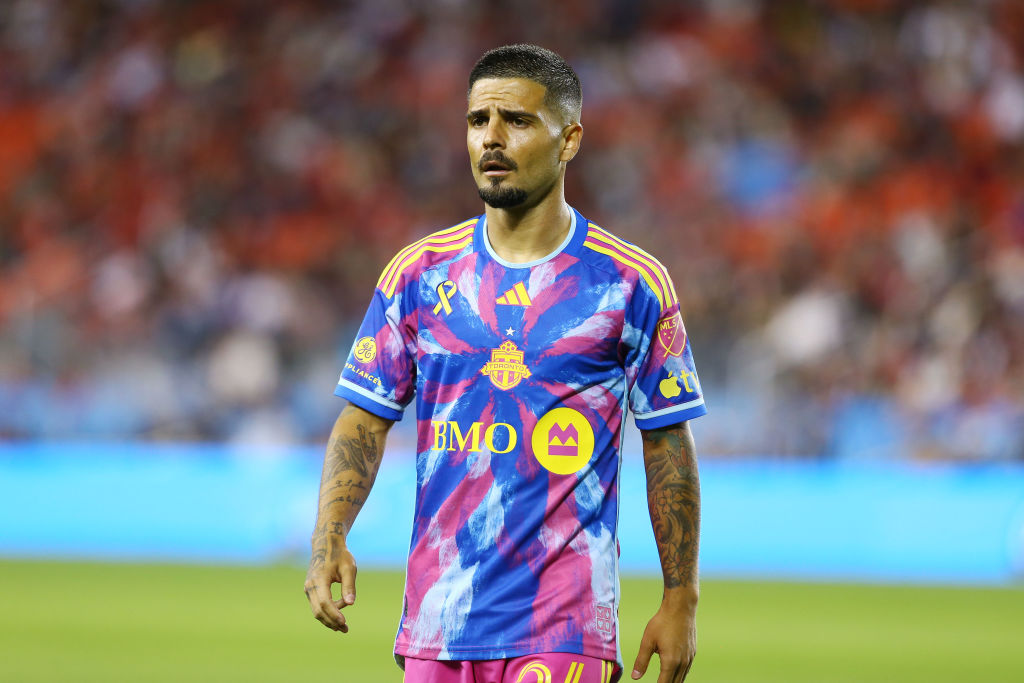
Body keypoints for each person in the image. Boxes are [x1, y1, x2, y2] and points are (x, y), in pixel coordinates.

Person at [304, 44, 706, 683]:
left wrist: (681, 594)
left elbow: (667, 441)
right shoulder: (418, 275)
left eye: (516, 121)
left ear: (569, 138)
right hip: (437, 623)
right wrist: (329, 536)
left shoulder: (630, 282)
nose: (491, 137)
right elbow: (363, 421)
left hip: (564, 623)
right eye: (476, 120)